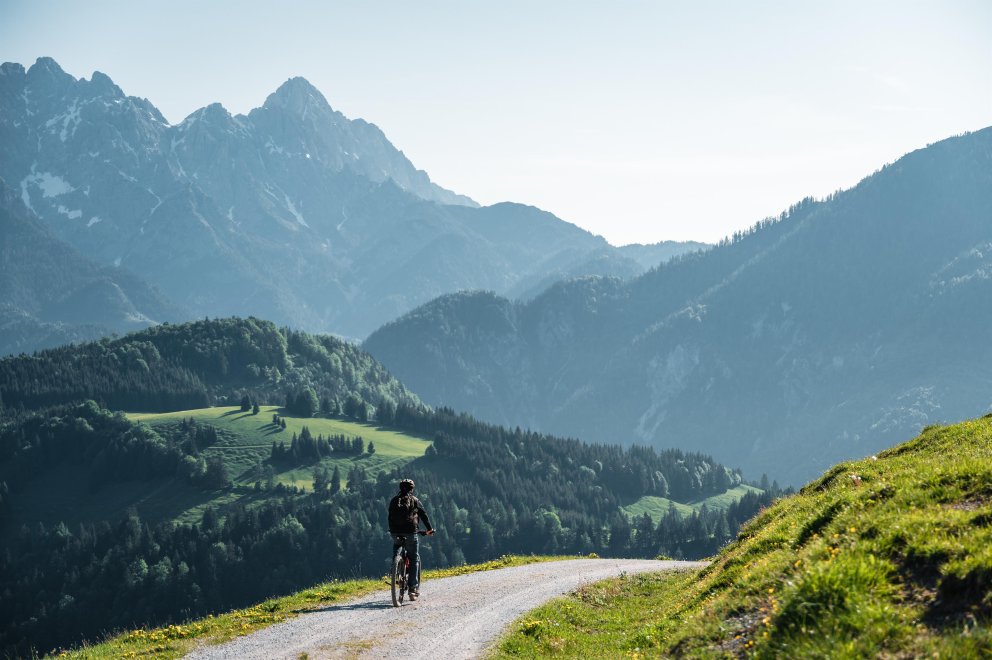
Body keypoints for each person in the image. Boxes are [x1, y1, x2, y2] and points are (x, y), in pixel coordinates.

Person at [388, 478, 434, 600]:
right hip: (410, 533)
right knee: (414, 558)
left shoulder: (394, 500)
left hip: (395, 532)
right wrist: (429, 529)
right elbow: (424, 515)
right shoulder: (415, 500)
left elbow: (390, 516)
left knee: (396, 547)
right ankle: (413, 589)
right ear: (412, 489)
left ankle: (395, 569)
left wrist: (392, 530)